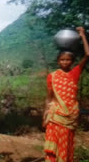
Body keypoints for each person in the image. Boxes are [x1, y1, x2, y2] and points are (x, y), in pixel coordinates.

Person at [43, 27, 89, 162]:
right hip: (55, 115)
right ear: (58, 61)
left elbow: (88, 54)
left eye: (68, 60)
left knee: (66, 144)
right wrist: (45, 114)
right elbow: (49, 96)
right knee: (53, 147)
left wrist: (83, 36)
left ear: (72, 61)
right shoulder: (52, 76)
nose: (65, 62)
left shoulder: (74, 74)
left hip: (70, 116)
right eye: (62, 60)